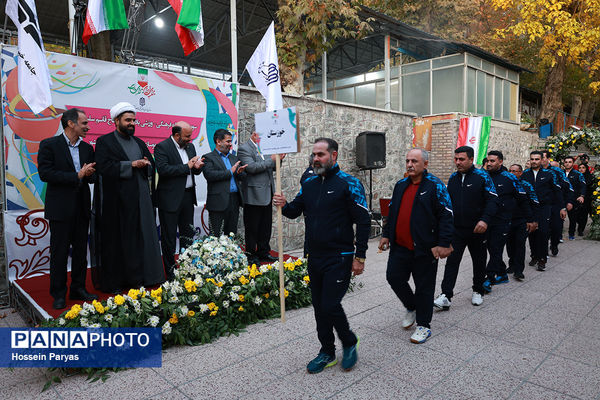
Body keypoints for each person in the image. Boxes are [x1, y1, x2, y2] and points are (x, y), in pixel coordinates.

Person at [273, 138, 369, 374]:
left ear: (333, 156)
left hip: (340, 255)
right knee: (319, 306)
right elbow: (295, 211)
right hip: (314, 255)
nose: (315, 159)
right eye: (314, 155)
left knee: (330, 303)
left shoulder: (350, 183)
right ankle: (327, 351)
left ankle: (349, 341)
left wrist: (360, 257)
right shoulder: (309, 182)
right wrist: (283, 204)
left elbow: (364, 221)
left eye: (321, 155)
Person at [379, 149, 453, 344]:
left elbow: (446, 215)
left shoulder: (436, 186)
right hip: (400, 246)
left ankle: (424, 326)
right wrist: (386, 235)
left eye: (414, 161)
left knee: (424, 288)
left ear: (425, 164)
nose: (410, 164)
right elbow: (392, 212)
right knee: (393, 277)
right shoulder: (401, 185)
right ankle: (412, 306)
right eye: (407, 161)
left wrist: (443, 243)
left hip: (425, 248)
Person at [94, 102, 164, 293]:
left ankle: (141, 277)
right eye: (128, 120)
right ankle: (119, 281)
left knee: (141, 239)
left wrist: (147, 164)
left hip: (140, 198)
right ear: (116, 121)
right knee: (120, 241)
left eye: (134, 120)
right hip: (117, 202)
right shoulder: (105, 142)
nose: (132, 123)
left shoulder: (139, 142)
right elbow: (103, 167)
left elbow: (151, 164)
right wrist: (130, 165)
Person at [38, 108, 98, 309]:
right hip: (60, 209)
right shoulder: (49, 145)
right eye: (84, 123)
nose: (87, 127)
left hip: (81, 208)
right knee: (59, 253)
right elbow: (46, 173)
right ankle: (58, 293)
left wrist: (91, 174)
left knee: (81, 252)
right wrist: (76, 176)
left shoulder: (88, 148)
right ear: (71, 124)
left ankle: (78, 288)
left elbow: (91, 177)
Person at [433, 146, 498, 310]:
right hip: (457, 230)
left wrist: (485, 220)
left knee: (479, 261)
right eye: (456, 159)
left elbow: (493, 201)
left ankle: (478, 290)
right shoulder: (454, 178)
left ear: (471, 160)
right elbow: (447, 204)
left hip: (478, 229)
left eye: (461, 159)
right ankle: (446, 295)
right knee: (452, 262)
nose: (457, 162)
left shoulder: (482, 176)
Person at [155, 122, 205, 280]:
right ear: (177, 136)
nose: (190, 139)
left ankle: (187, 269)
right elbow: (163, 170)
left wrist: (197, 167)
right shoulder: (162, 147)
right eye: (187, 136)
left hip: (188, 197)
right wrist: (187, 166)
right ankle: (170, 273)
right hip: (169, 199)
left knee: (187, 236)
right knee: (169, 238)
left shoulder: (190, 147)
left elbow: (194, 171)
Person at [483, 151, 533, 288]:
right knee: (491, 249)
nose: (489, 164)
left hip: (503, 220)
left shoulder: (509, 178)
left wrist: (530, 219)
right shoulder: (482, 176)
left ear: (500, 162)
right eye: (488, 161)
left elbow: (522, 199)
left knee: (496, 248)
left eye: (493, 161)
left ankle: (490, 278)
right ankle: (502, 273)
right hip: (486, 220)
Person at [237, 131, 284, 265]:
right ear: (253, 134)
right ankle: (251, 255)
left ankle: (264, 252)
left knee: (265, 226)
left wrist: (280, 159)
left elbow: (274, 167)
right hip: (253, 194)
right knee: (252, 227)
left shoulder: (266, 148)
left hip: (268, 192)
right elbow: (251, 167)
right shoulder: (244, 148)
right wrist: (272, 160)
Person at [521, 151, 563, 271]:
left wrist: (562, 207)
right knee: (532, 232)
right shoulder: (525, 174)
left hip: (544, 208)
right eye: (532, 159)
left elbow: (557, 190)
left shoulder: (549, 174)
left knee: (543, 232)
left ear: (541, 160)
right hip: (529, 208)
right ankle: (534, 255)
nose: (534, 161)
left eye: (537, 159)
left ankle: (542, 259)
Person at [202, 129, 247, 236]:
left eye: (231, 141)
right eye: (228, 141)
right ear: (218, 141)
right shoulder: (208, 157)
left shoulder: (234, 158)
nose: (230, 144)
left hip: (234, 200)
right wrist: (230, 172)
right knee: (215, 236)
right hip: (218, 202)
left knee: (231, 234)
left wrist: (240, 173)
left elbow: (241, 177)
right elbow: (210, 175)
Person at [506, 164, 539, 281]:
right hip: (507, 220)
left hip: (522, 220)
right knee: (509, 244)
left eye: (514, 171)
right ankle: (512, 265)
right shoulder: (504, 184)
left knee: (520, 244)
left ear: (520, 173)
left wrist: (533, 220)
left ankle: (519, 270)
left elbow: (534, 202)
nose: (511, 173)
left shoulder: (526, 185)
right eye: (510, 170)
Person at [542, 151, 574, 256]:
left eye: (542, 157)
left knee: (556, 228)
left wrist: (568, 202)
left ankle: (554, 244)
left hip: (557, 204)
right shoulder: (535, 171)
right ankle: (542, 251)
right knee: (543, 229)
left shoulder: (557, 171)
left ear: (548, 159)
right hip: (542, 205)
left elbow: (568, 187)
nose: (540, 160)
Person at [563, 156, 586, 240]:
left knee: (572, 219)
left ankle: (571, 234)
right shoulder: (560, 173)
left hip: (573, 199)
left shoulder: (578, 174)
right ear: (564, 163)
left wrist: (582, 196)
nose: (568, 163)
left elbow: (583, 186)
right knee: (558, 218)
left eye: (569, 162)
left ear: (573, 163)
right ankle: (558, 235)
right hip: (561, 199)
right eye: (566, 162)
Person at [576, 163, 594, 235]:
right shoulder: (576, 176)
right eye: (580, 167)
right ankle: (579, 224)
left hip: (587, 199)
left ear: (586, 169)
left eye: (583, 167)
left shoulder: (589, 177)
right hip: (577, 198)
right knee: (577, 215)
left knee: (584, 215)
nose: (581, 169)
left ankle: (581, 229)